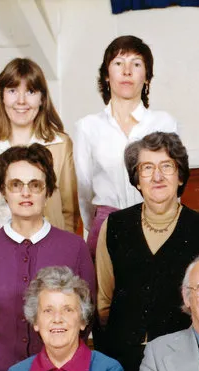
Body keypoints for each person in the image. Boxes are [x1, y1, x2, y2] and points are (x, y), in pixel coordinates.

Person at [94, 131, 199, 371]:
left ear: (180, 177)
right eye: (147, 168)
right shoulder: (114, 227)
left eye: (167, 166)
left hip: (185, 363)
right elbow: (104, 301)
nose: (157, 176)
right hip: (122, 361)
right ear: (136, 179)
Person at [0, 144, 95, 371]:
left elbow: (86, 316)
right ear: (3, 191)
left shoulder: (74, 247)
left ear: (47, 192)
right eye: (16, 185)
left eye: (35, 185)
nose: (25, 193)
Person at [74, 36, 178, 253]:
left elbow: (174, 185)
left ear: (147, 77)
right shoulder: (87, 126)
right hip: (106, 228)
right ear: (106, 75)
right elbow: (83, 192)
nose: (127, 71)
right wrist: (95, 226)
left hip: (157, 225)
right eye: (119, 63)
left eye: (137, 64)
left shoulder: (164, 122)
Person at [0, 57, 78, 237]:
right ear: (2, 97)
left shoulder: (60, 145)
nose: (21, 101)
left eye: (31, 91)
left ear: (42, 99)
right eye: (12, 91)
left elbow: (69, 212)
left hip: (48, 248)